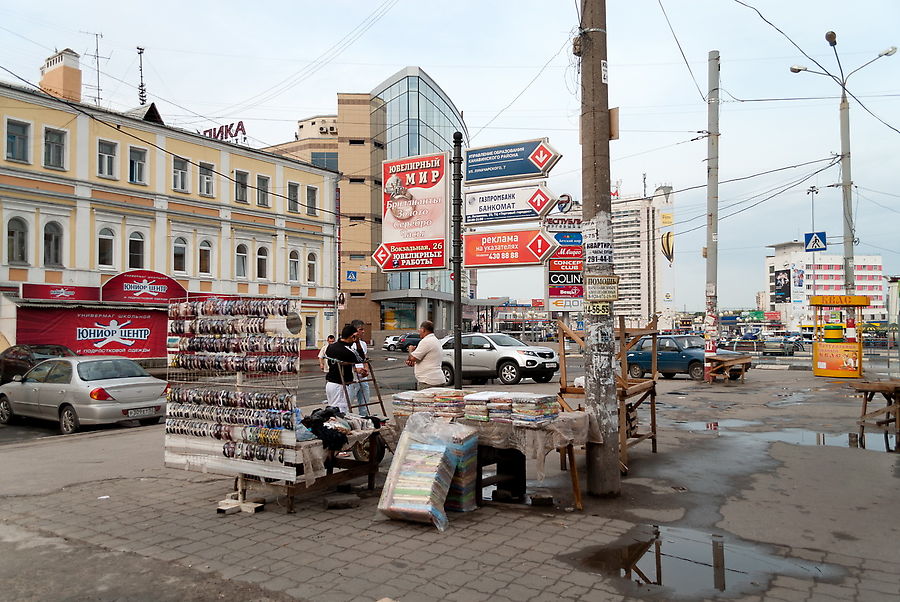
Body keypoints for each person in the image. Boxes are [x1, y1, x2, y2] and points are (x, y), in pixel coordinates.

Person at [324, 325, 360, 413]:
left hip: (330, 383)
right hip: (340, 384)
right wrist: (358, 343)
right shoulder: (347, 351)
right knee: (342, 411)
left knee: (333, 410)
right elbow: (360, 359)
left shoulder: (331, 347)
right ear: (352, 336)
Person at [406, 320, 446, 390]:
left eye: (419, 330)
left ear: (423, 330)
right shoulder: (435, 340)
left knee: (424, 400)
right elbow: (419, 359)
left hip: (428, 381)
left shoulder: (426, 341)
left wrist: (410, 350)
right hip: (436, 378)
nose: (419, 332)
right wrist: (414, 362)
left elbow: (412, 358)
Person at [349, 319, 370, 416]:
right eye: (361, 329)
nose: (363, 331)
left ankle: (364, 417)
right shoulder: (349, 344)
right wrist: (355, 369)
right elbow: (346, 362)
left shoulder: (363, 344)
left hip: (363, 377)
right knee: (349, 401)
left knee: (365, 402)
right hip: (353, 377)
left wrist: (366, 369)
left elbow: (365, 359)